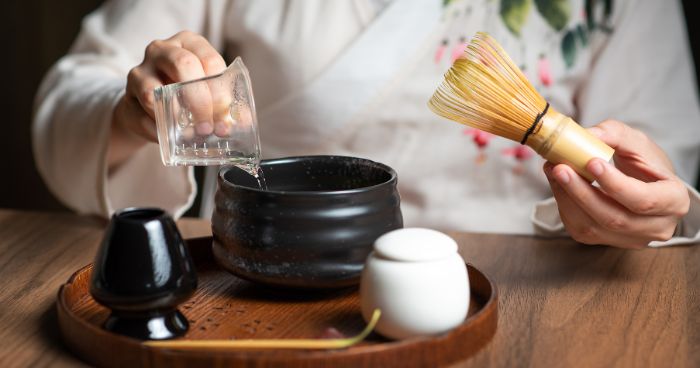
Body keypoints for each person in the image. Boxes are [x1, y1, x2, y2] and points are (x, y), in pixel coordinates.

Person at [33, 0, 700, 249]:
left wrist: (635, 212)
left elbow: (660, 159)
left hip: (531, 293)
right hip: (275, 278)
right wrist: (134, 113)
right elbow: (77, 90)